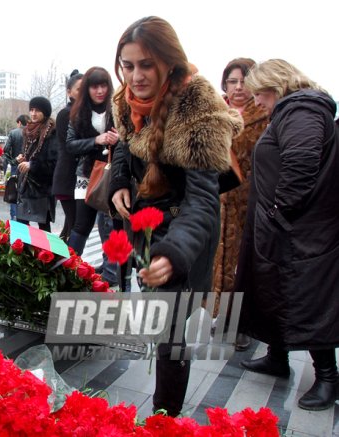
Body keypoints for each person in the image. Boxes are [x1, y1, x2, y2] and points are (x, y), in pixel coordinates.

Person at [108, 16, 243, 417]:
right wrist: (119, 181)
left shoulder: (199, 107)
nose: (135, 76)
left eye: (146, 64)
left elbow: (203, 201)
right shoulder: (125, 100)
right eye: (128, 65)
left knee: (174, 335)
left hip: (186, 235)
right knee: (158, 318)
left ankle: (165, 417)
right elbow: (123, 147)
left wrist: (173, 253)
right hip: (147, 227)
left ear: (169, 61)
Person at [236, 59, 339, 411]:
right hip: (286, 227)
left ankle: (327, 376)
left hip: (300, 231)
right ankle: (276, 357)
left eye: (258, 95)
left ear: (275, 87)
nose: (257, 103)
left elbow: (301, 162)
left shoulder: (302, 109)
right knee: (276, 292)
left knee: (306, 300)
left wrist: (280, 212)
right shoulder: (293, 111)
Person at [210, 58, 268, 351]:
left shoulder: (266, 115)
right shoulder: (214, 112)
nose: (238, 87)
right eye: (232, 81)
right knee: (215, 259)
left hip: (252, 201)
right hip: (217, 199)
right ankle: (219, 315)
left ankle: (242, 321)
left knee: (246, 263)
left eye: (244, 81)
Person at [65, 67, 120, 287]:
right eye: (94, 86)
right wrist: (96, 140)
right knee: (81, 225)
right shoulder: (78, 113)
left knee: (111, 226)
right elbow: (70, 145)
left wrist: (119, 139)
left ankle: (111, 274)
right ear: (87, 88)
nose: (99, 90)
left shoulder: (118, 109)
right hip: (87, 175)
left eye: (103, 85)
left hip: (112, 173)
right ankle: (68, 269)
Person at [15, 97, 58, 231]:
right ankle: (24, 252)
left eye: (37, 110)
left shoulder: (52, 132)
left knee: (44, 228)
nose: (33, 113)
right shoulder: (29, 132)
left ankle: (46, 252)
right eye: (32, 110)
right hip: (27, 186)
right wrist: (23, 160)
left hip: (43, 188)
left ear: (45, 113)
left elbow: (54, 163)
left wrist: (32, 165)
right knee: (21, 225)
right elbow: (30, 157)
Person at [53, 70, 83, 241]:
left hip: (79, 177)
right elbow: (70, 147)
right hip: (68, 177)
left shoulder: (84, 112)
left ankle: (59, 262)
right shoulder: (66, 113)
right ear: (69, 92)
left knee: (70, 227)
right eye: (79, 89)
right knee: (74, 225)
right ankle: (69, 264)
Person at [3, 114, 28, 220]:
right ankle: (25, 215)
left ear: (19, 123)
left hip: (16, 166)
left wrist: (13, 161)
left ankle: (14, 215)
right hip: (28, 166)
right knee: (26, 189)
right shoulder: (32, 133)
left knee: (14, 190)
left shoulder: (13, 133)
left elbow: (6, 151)